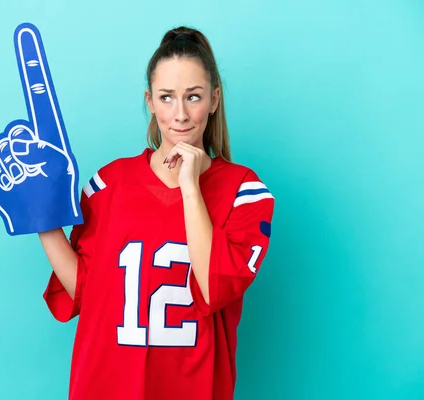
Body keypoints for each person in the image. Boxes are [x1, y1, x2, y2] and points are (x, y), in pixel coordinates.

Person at [37, 25, 275, 400]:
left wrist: (190, 185)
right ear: (150, 100)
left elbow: (213, 289)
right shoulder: (108, 183)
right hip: (105, 386)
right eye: (167, 97)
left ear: (214, 99)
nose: (179, 114)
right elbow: (85, 292)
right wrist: (42, 221)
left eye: (193, 97)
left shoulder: (244, 192)